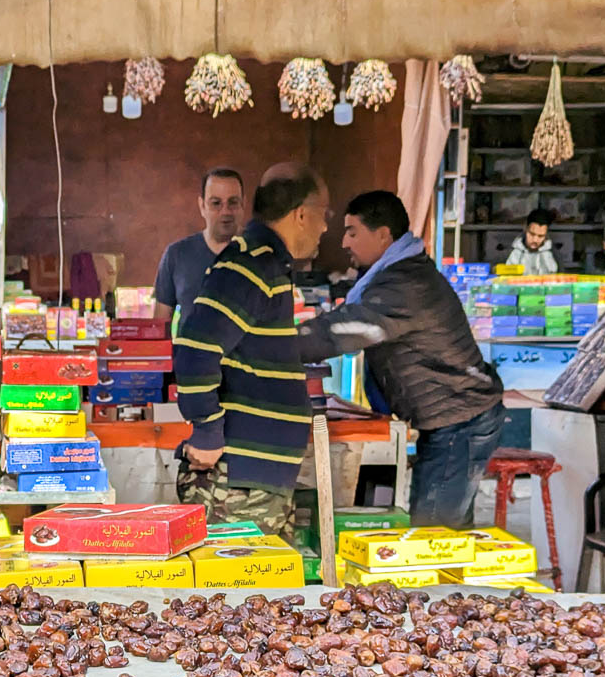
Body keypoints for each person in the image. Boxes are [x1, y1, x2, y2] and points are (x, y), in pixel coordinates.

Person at [298, 190, 504, 529]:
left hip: (460, 420)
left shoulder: (406, 283)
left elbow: (349, 328)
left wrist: (277, 345)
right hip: (453, 417)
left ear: (382, 235)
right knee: (444, 529)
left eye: (353, 232)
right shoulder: (398, 273)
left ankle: (440, 583)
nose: (345, 242)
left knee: (433, 533)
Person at [173, 163, 330, 538]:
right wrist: (208, 433)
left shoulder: (266, 263)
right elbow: (195, 348)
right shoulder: (251, 264)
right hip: (237, 483)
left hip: (253, 481)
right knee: (237, 593)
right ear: (303, 214)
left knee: (261, 594)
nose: (326, 228)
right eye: (324, 216)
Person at [154, 168, 245, 324]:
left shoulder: (261, 254)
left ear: (243, 204)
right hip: (190, 349)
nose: (225, 211)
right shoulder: (176, 255)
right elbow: (159, 326)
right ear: (202, 206)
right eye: (216, 203)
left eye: (233, 202)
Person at [507, 207, 560, 275]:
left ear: (546, 234)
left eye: (540, 236)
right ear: (525, 228)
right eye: (532, 234)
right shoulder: (511, 252)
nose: (535, 240)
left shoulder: (554, 255)